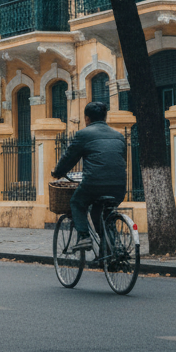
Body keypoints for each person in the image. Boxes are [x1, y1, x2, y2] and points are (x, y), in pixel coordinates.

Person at [51, 100, 126, 252]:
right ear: (105, 117)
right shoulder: (119, 136)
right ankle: (111, 252)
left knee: (77, 203)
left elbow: (69, 158)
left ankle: (84, 237)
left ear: (86, 118)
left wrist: (58, 172)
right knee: (101, 213)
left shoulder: (83, 134)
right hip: (119, 186)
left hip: (94, 184)